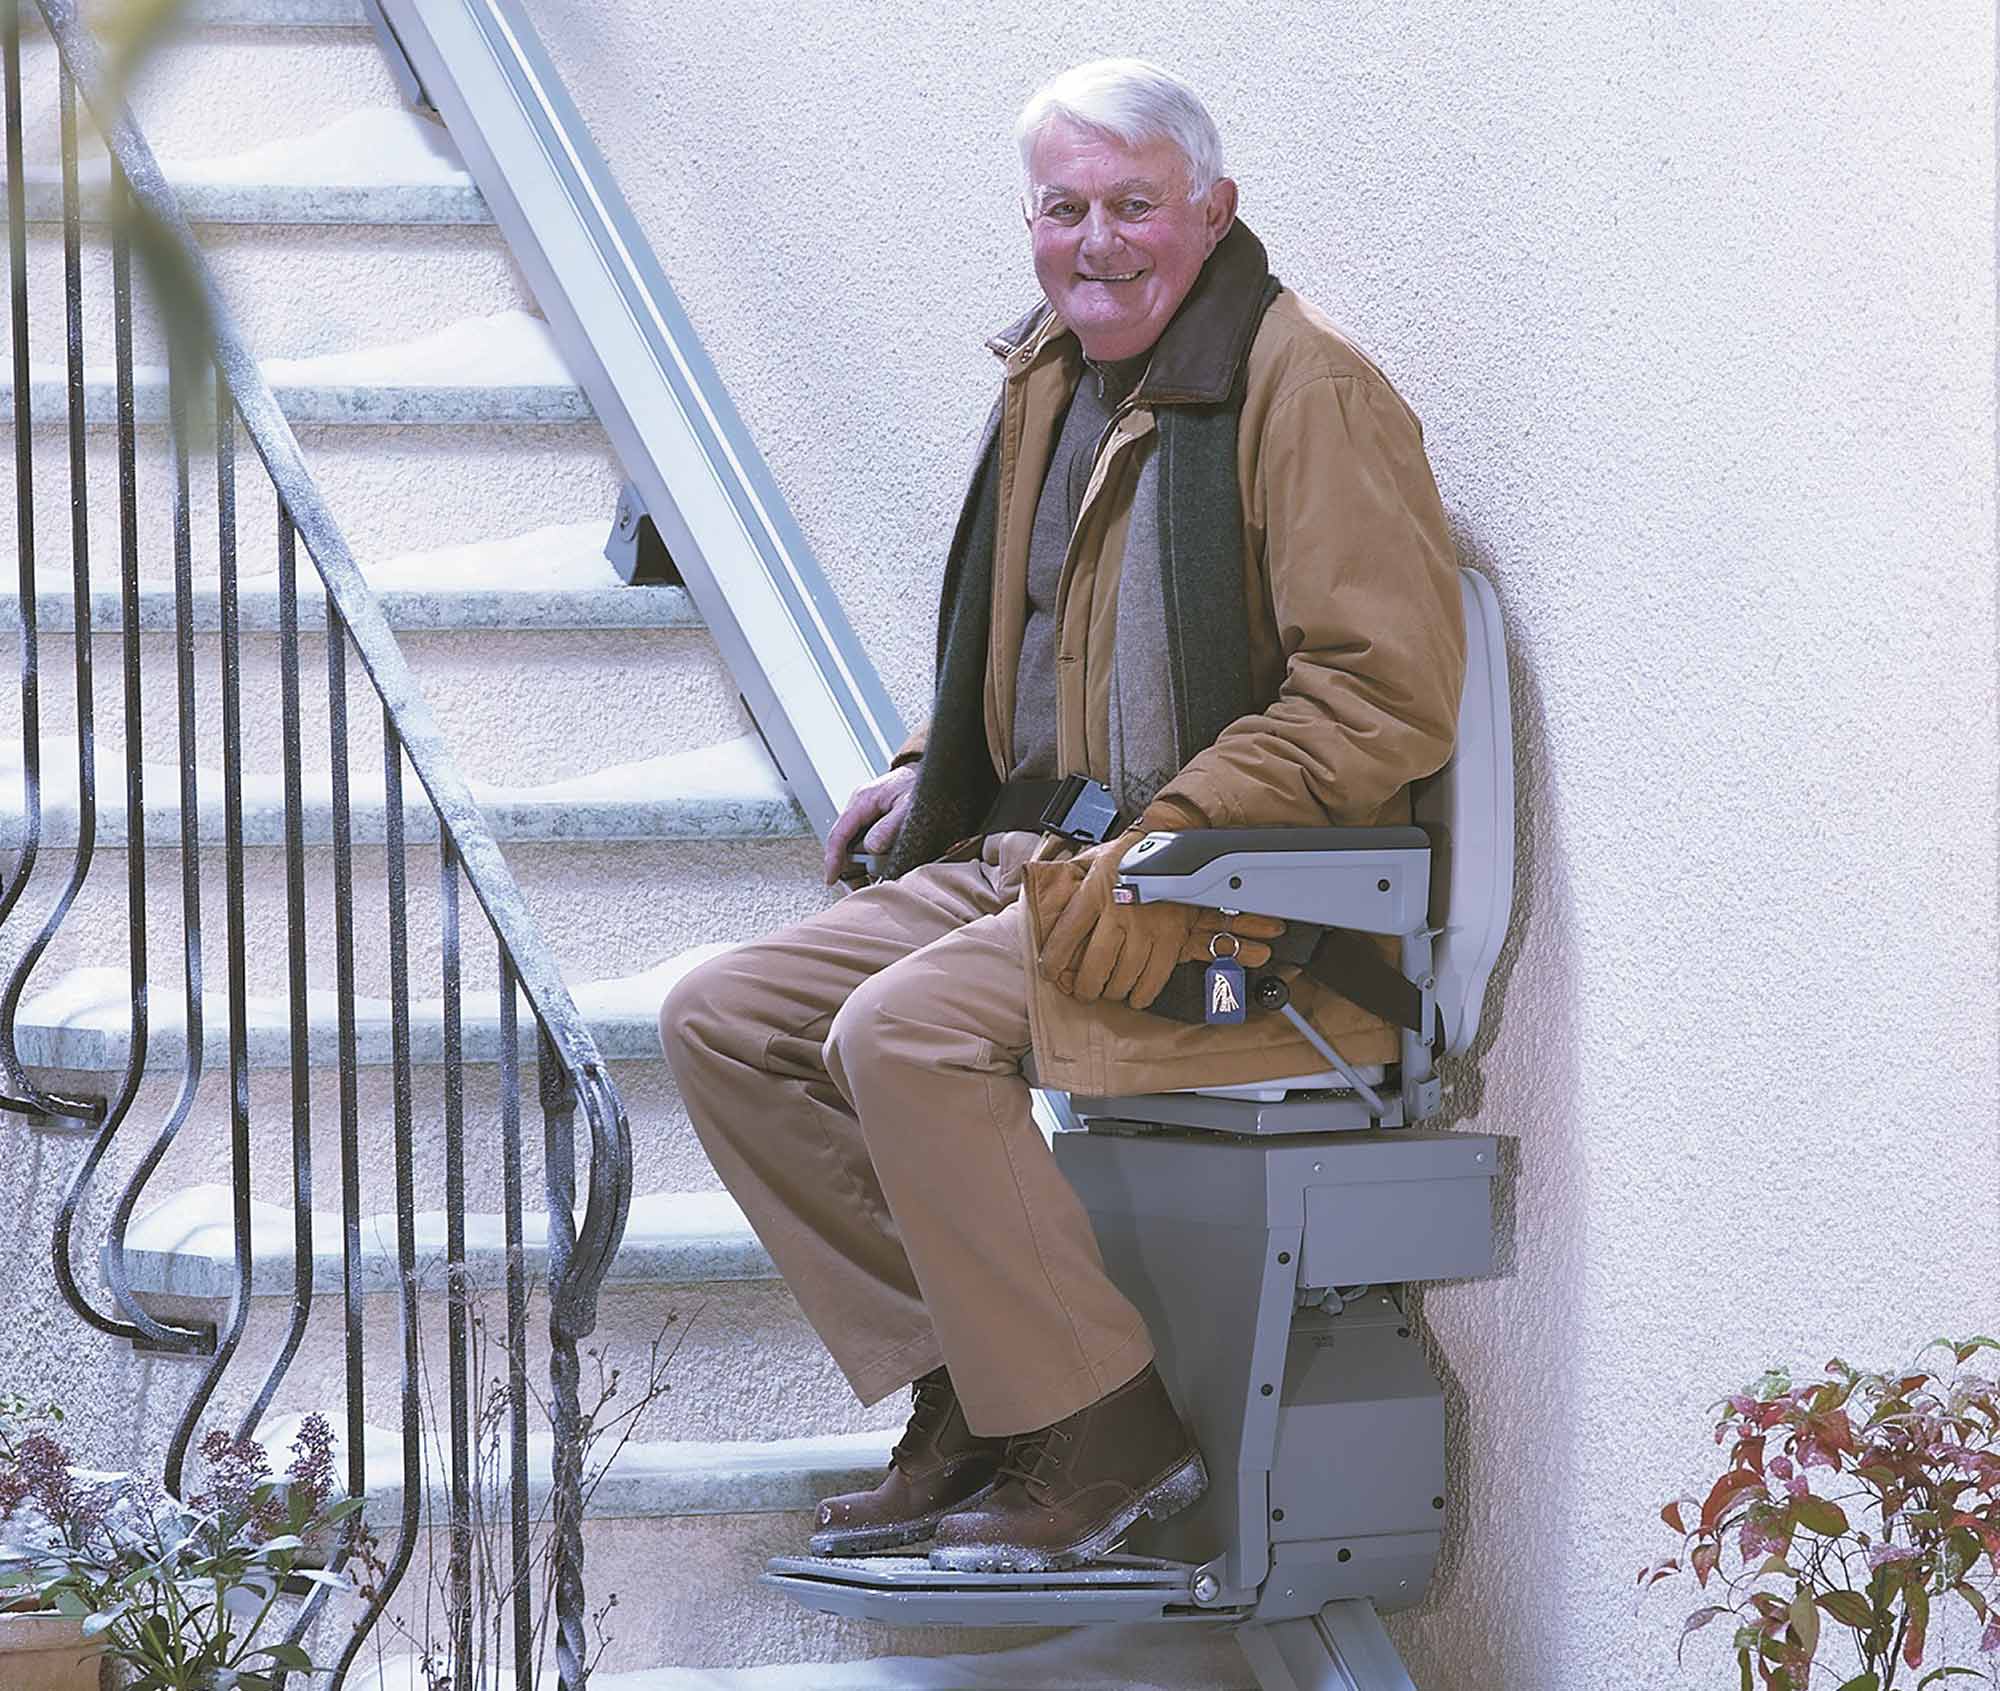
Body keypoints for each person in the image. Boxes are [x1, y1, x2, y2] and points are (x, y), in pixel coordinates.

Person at [659, 57, 1466, 1574]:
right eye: (1065, 207)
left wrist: (1178, 825)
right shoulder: (1050, 377)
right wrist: (928, 763)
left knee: (898, 1034)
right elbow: (1044, 640)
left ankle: (1108, 1434)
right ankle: (980, 1401)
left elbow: (1383, 700)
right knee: (724, 1015)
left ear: (1212, 210)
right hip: (1031, 852)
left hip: (1245, 907)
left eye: (1136, 205)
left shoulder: (1308, 391)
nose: (1098, 241)